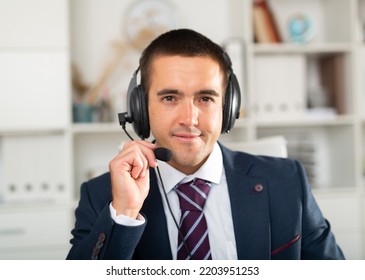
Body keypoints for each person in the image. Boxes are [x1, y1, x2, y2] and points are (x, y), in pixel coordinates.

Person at [66, 28, 345, 260]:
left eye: (206, 98)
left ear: (228, 106)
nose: (190, 118)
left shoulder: (287, 182)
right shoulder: (103, 196)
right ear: (139, 109)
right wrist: (125, 213)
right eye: (170, 98)